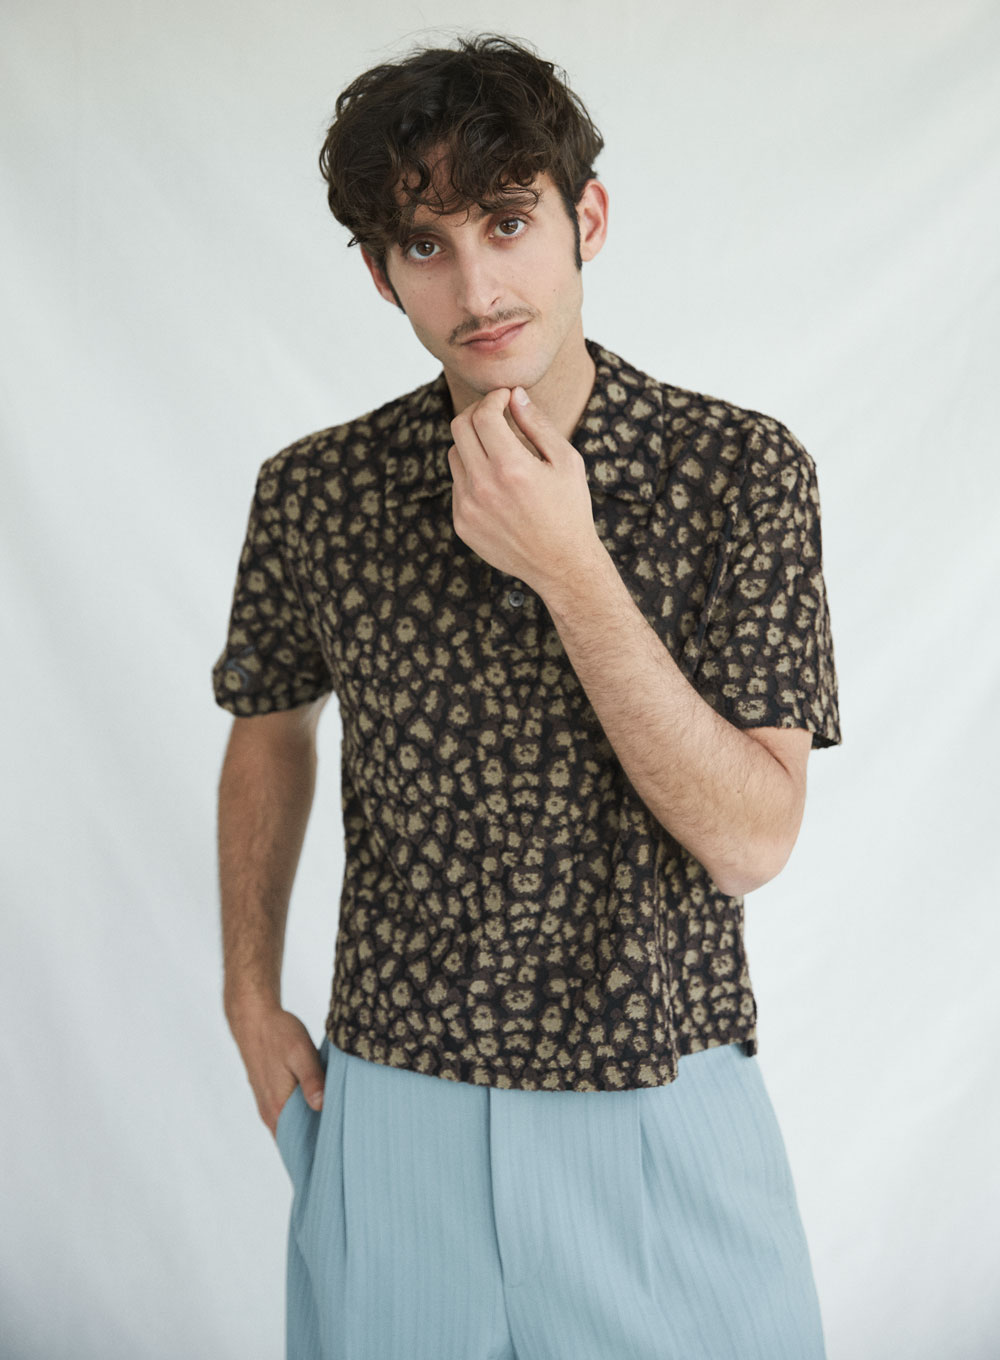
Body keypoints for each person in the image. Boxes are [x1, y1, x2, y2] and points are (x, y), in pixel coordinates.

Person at [212, 32, 841, 1360]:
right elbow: (269, 729)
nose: (478, 285)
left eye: (508, 221)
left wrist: (570, 565)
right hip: (395, 1106)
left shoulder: (739, 473)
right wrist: (248, 996)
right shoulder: (316, 492)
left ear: (584, 218)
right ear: (381, 274)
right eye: (425, 244)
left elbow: (753, 839)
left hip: (659, 1097)